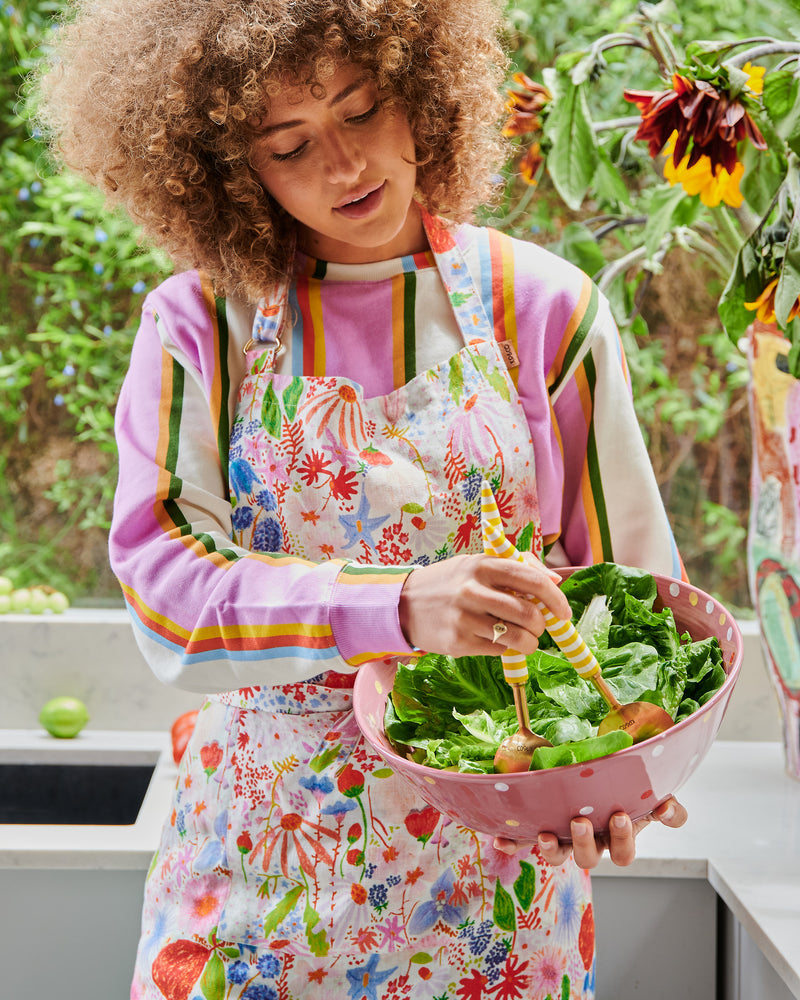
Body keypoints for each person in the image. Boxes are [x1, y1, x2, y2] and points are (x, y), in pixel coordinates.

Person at [38, 0, 688, 996]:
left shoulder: (542, 307)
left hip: (493, 886)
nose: (343, 164)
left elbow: (625, 593)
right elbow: (167, 587)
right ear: (226, 168)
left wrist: (620, 777)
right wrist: (394, 606)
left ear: (422, 90)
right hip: (262, 880)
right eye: (288, 143)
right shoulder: (198, 324)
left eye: (361, 107)